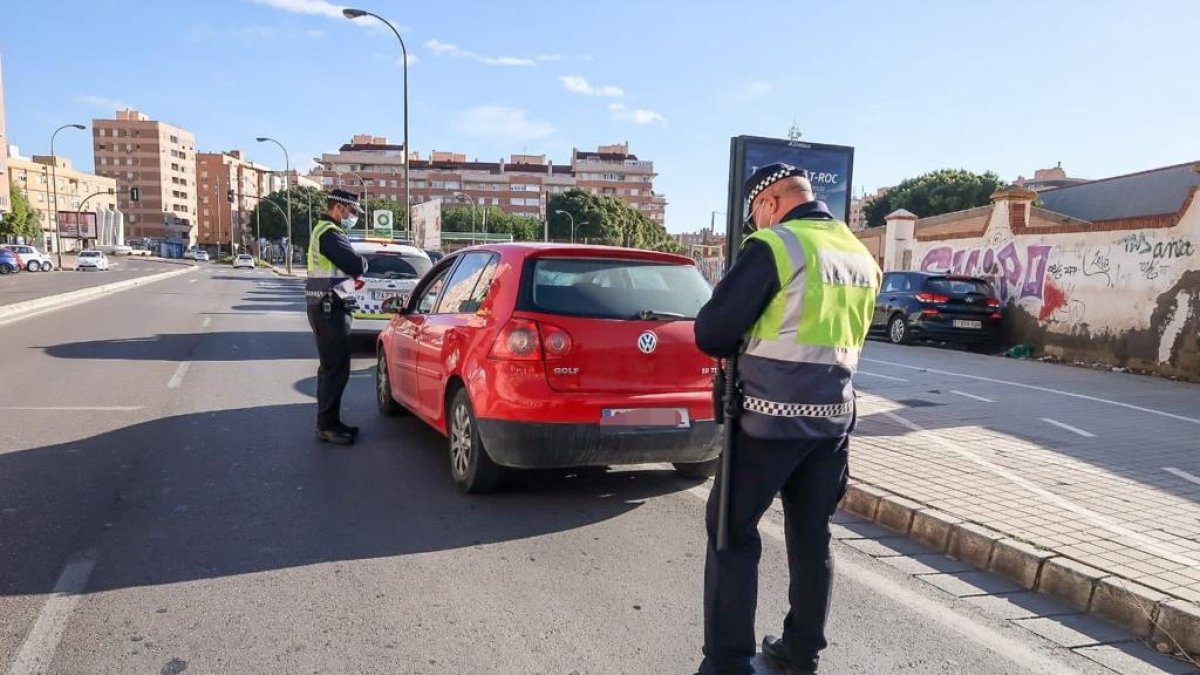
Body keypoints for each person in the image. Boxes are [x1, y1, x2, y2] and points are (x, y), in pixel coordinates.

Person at [693, 164, 881, 674]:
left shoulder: (778, 246)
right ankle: (802, 652)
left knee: (731, 530)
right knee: (811, 532)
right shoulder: (861, 255)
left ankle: (729, 662)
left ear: (771, 203)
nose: (759, 225)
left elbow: (712, 331)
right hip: (834, 421)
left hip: (768, 420)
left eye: (758, 215)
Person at [306, 189, 367, 445]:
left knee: (332, 367)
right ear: (339, 209)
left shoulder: (325, 230)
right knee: (335, 368)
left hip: (326, 304)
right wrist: (362, 263)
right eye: (352, 212)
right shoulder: (329, 233)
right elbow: (355, 264)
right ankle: (327, 425)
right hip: (329, 307)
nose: (353, 217)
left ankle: (330, 421)